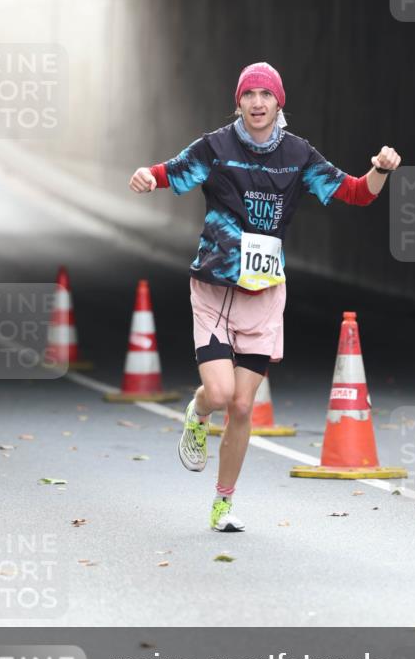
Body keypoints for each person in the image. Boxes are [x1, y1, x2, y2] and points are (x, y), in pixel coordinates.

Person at [129, 62, 401, 532]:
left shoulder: (298, 155)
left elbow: (357, 194)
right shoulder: (215, 147)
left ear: (280, 103)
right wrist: (146, 177)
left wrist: (379, 169)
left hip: (263, 295)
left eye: (266, 94)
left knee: (240, 405)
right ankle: (197, 413)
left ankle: (222, 503)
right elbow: (170, 171)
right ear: (238, 102)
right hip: (214, 287)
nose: (257, 102)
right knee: (219, 392)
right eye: (249, 94)